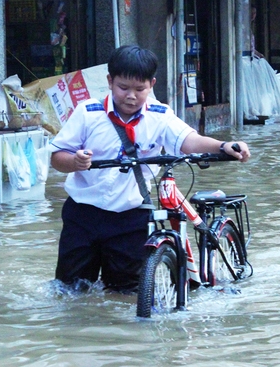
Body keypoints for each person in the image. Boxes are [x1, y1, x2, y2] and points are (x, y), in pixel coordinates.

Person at [49, 45, 251, 293]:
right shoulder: (88, 113)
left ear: (152, 84)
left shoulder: (160, 115)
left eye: (140, 89)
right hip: (82, 215)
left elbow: (190, 141)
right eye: (123, 88)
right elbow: (57, 157)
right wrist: (75, 162)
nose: (131, 96)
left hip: (131, 217)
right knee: (69, 289)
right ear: (110, 81)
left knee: (127, 292)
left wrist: (223, 145)